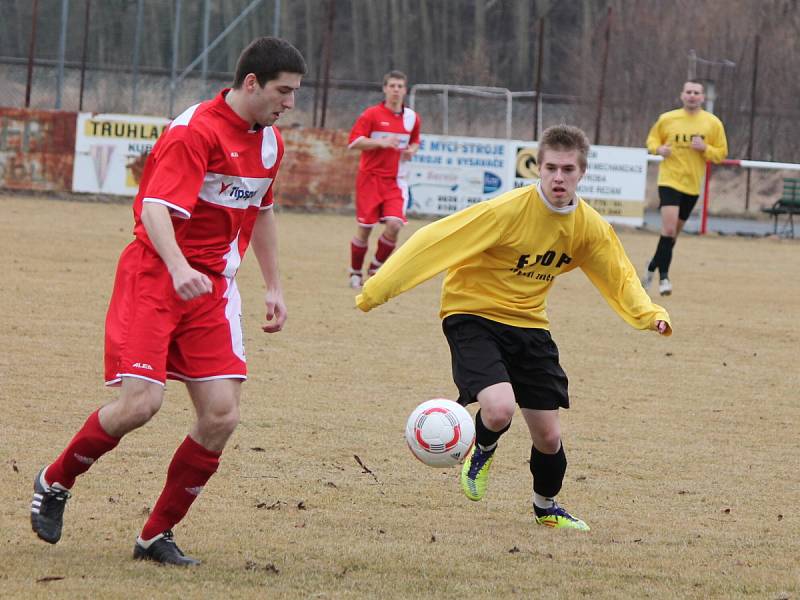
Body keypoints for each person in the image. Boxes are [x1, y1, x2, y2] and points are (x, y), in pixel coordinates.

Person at [29, 37, 306, 566]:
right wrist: (179, 268)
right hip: (157, 274)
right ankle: (55, 480)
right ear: (252, 83)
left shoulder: (270, 143)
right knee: (141, 405)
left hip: (212, 288)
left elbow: (263, 212)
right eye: (283, 91)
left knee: (222, 416)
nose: (289, 103)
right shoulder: (194, 131)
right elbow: (156, 209)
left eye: (294, 93)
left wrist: (273, 285)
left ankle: (155, 536)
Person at [356, 125, 671, 530]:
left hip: (529, 325)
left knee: (548, 439)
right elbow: (435, 240)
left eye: (568, 170)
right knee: (500, 407)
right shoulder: (506, 211)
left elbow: (620, 276)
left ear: (582, 173)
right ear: (537, 168)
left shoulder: (588, 227)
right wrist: (377, 290)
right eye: (551, 168)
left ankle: (546, 507)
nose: (559, 177)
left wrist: (650, 314)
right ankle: (481, 450)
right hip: (472, 312)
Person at [642, 80, 728, 295]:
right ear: (682, 95)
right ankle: (664, 279)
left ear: (702, 97)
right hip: (669, 181)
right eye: (688, 92)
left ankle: (652, 265)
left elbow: (721, 153)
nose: (692, 95)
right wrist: (658, 149)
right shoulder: (668, 119)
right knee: (669, 229)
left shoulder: (712, 123)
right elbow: (651, 141)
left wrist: (705, 148)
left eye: (696, 92)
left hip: (692, 185)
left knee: (672, 236)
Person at [347, 70, 421, 289]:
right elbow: (354, 142)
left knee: (395, 225)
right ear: (385, 89)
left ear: (405, 90)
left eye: (400, 86)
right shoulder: (371, 115)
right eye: (392, 86)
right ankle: (355, 273)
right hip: (370, 179)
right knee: (365, 228)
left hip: (396, 180)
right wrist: (379, 143)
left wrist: (412, 150)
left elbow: (415, 141)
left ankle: (376, 268)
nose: (396, 90)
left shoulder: (412, 118)